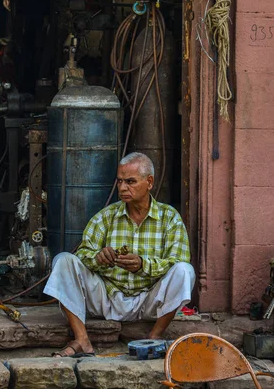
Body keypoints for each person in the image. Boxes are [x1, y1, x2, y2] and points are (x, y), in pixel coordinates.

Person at [44, 152, 195, 357]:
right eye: (120, 181)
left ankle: (155, 335)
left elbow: (177, 260)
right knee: (63, 260)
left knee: (185, 270)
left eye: (131, 182)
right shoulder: (106, 216)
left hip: (150, 300)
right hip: (108, 297)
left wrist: (144, 265)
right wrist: (98, 258)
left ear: (149, 182)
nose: (123, 188)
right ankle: (82, 340)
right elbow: (83, 254)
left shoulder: (169, 218)